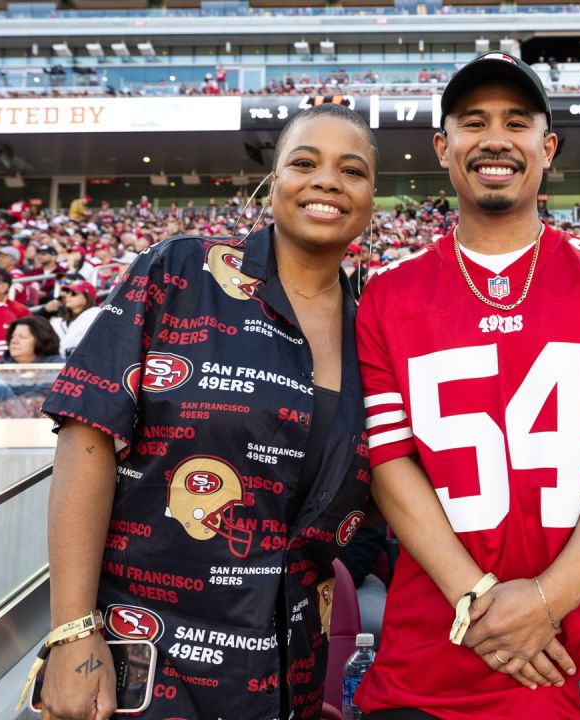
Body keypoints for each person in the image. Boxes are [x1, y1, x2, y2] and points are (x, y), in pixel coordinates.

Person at [356, 53, 580, 719]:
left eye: (517, 122)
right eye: (473, 123)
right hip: (440, 653)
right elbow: (391, 462)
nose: (496, 139)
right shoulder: (387, 292)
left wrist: (545, 600)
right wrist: (479, 601)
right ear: (443, 148)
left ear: (547, 147)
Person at [38, 103, 376, 720]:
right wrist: (71, 632)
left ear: (370, 197)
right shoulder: (180, 271)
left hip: (288, 670)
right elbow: (86, 439)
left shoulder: (375, 330)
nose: (327, 180)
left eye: (351, 170)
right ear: (273, 182)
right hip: (142, 661)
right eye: (304, 162)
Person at [49, 279, 101, 358]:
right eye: (67, 292)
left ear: (86, 298)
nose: (68, 296)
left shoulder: (96, 314)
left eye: (74, 293)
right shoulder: (58, 321)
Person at [0, 316, 64, 364]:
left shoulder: (63, 370)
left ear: (41, 340)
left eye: (22, 337)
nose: (13, 341)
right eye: (13, 336)